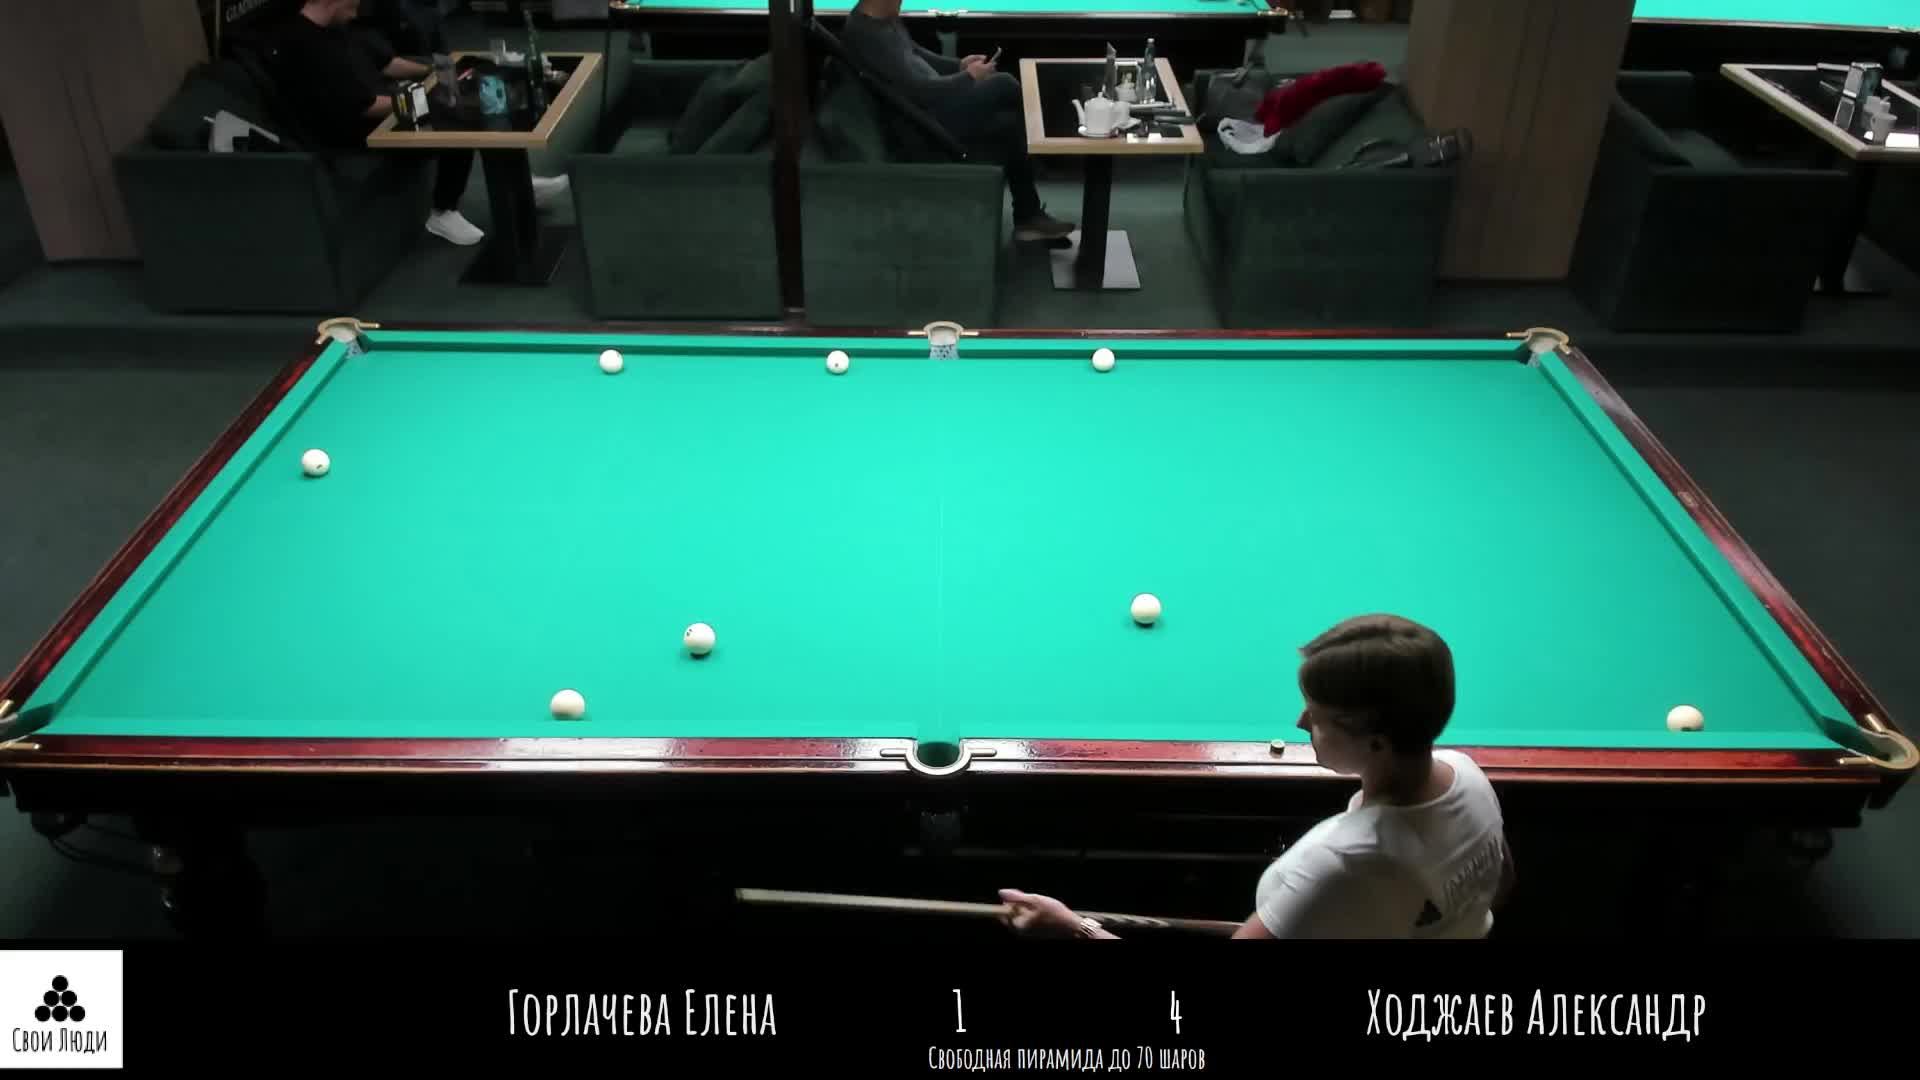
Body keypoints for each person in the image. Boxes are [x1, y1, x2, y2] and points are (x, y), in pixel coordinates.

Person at [1001, 614, 1516, 939]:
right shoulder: (1466, 776)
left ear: (1377, 742)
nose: (1301, 722)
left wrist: (1076, 928)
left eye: (1319, 715)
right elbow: (1496, 882)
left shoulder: (1341, 863)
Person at [267, 0, 568, 247]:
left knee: (475, 91)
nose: (358, 7)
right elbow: (361, 106)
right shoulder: (305, 45)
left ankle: (518, 182)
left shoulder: (337, 26)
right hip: (358, 132)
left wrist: (437, 70)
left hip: (380, 105)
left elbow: (386, 63)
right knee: (458, 120)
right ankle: (443, 210)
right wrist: (425, 101)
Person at [839, 0, 1075, 243]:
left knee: (1008, 125)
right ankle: (1050, 153)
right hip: (923, 126)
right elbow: (920, 91)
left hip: (933, 109)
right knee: (1004, 84)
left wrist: (960, 65)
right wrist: (968, 78)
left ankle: (1028, 216)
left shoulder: (882, 19)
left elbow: (916, 54)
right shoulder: (865, 35)